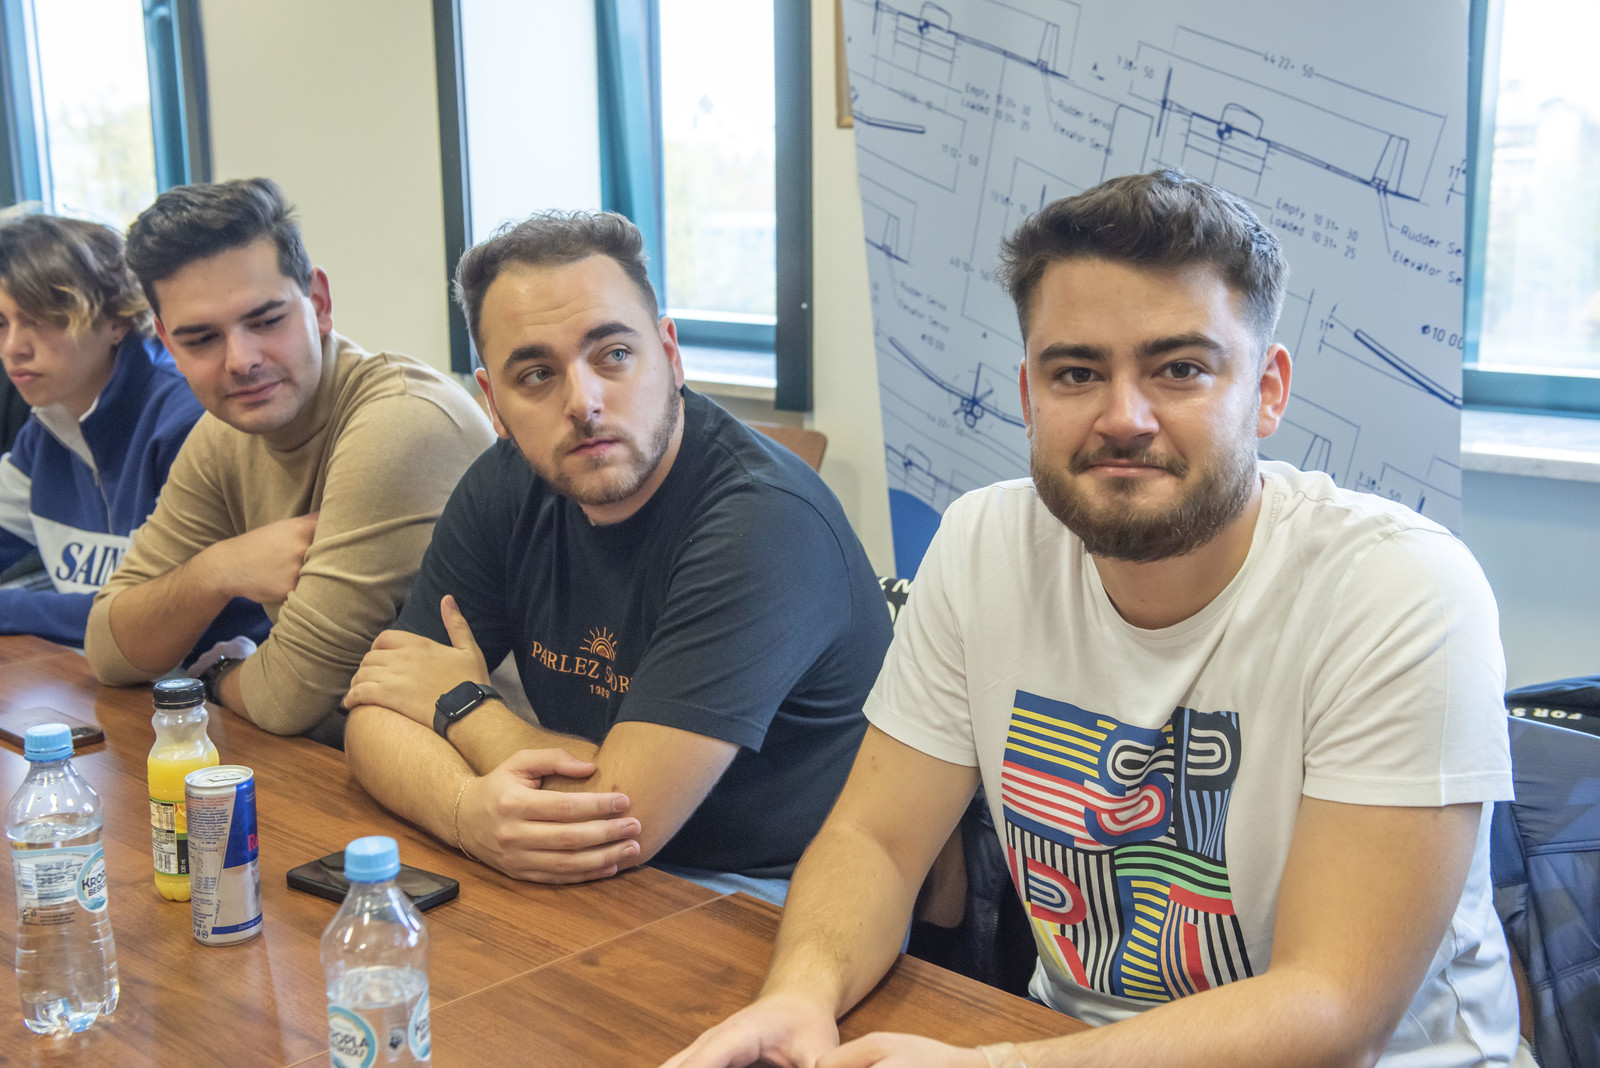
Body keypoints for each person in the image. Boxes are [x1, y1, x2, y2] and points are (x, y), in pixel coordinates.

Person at [665, 169, 1523, 1067]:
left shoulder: (1401, 590)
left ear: (1268, 391)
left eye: (1180, 369)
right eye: (1077, 373)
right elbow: (875, 842)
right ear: (1029, 396)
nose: (1124, 418)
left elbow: (1332, 1008)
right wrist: (800, 994)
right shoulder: (983, 544)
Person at [342, 211, 890, 899]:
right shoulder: (504, 484)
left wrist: (462, 706)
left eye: (614, 355)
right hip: (583, 859)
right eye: (536, 374)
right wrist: (462, 812)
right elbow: (376, 714)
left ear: (670, 354)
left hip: (772, 890)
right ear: (494, 404)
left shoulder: (763, 521)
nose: (584, 403)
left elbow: (620, 815)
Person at [84, 178, 495, 744]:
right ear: (168, 343)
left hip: (486, 767)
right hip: (356, 757)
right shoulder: (223, 432)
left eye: (266, 320)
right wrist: (215, 571)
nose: (241, 360)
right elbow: (109, 650)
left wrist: (216, 673)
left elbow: (287, 697)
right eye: (201, 339)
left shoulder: (403, 422)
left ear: (319, 303)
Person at [0, 214, 208, 646]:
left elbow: (148, 613)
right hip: (97, 671)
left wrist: (9, 608)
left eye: (41, 318)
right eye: (2, 323)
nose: (13, 347)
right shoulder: (45, 427)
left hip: (202, 675)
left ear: (117, 320)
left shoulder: (185, 422)